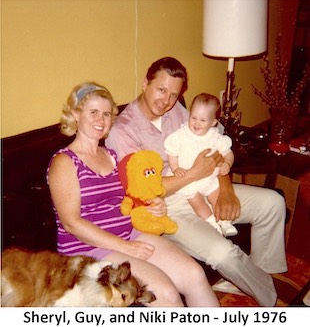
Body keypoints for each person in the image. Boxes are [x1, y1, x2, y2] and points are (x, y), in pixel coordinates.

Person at [106, 57, 288, 307]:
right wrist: (192, 173)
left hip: (208, 185)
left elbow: (215, 143)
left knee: (273, 203)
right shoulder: (123, 131)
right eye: (161, 90)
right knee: (222, 253)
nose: (166, 101)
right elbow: (143, 192)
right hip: (167, 208)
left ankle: (259, 277)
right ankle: (274, 299)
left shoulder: (176, 111)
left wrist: (226, 190)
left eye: (174, 94)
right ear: (145, 83)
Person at [46, 82, 219, 307]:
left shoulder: (112, 155)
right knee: (165, 294)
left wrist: (153, 205)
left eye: (107, 113)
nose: (101, 119)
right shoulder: (64, 162)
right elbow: (72, 224)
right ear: (76, 114)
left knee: (194, 274)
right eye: (93, 112)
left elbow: (134, 196)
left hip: (129, 234)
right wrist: (125, 248)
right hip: (87, 250)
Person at [164, 93, 238, 237]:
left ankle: (224, 221)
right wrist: (176, 168)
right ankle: (211, 223)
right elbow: (172, 153)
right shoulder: (181, 135)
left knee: (216, 196)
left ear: (213, 122)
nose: (196, 123)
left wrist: (228, 163)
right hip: (187, 177)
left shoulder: (215, 137)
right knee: (197, 202)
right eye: (193, 118)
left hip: (209, 177)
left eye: (203, 120)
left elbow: (228, 153)